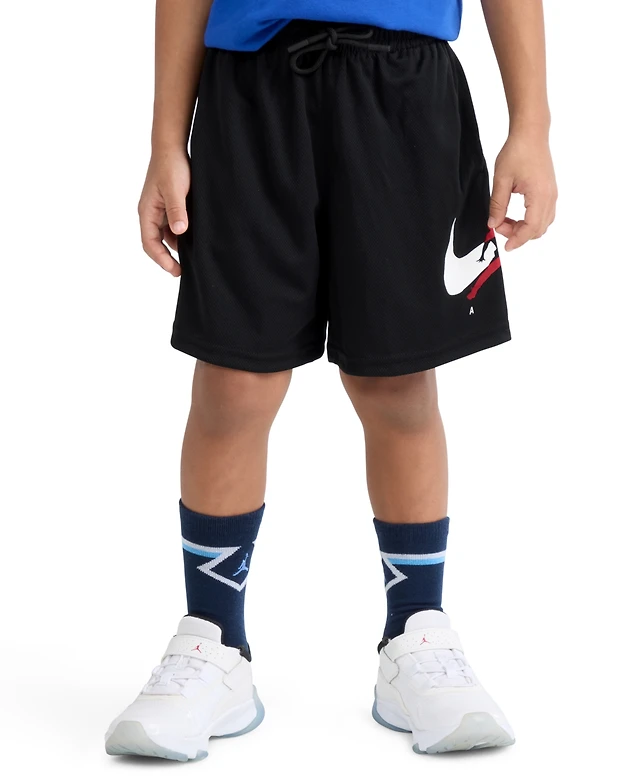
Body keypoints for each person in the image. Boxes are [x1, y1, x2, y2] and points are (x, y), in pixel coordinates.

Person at [105, 0, 557, 761]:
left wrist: (532, 125)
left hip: (406, 93)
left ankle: (415, 635)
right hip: (248, 93)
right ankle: (214, 641)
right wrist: (164, 141)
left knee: (398, 384)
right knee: (234, 380)